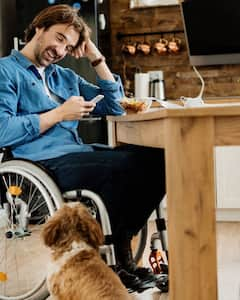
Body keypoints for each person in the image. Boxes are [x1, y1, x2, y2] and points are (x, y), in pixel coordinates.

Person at [0, 4, 165, 291]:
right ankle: (117, 263)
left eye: (70, 45)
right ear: (39, 28)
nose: (61, 51)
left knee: (159, 158)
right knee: (123, 168)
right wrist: (58, 114)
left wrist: (95, 57)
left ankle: (120, 254)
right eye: (59, 38)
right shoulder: (6, 72)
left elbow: (115, 106)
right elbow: (3, 132)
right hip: (39, 164)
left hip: (76, 155)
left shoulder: (63, 77)